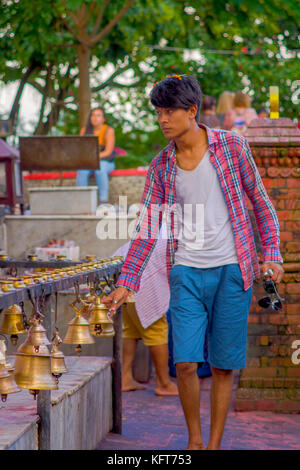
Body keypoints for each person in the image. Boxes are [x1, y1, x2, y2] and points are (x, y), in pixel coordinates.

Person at [102, 75, 284, 450]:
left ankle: (213, 444)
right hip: (184, 270)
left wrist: (272, 255)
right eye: (158, 112)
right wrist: (127, 283)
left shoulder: (232, 146)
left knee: (221, 365)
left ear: (192, 111)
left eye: (169, 111)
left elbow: (261, 204)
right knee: (183, 362)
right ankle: (195, 441)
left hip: (234, 269)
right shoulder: (161, 166)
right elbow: (148, 228)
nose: (162, 119)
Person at [113, 224, 178, 396]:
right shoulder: (170, 236)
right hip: (147, 290)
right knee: (157, 333)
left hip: (125, 288)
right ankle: (163, 383)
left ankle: (125, 377)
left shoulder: (145, 235)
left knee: (131, 332)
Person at [77, 107, 116, 203]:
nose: (95, 118)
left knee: (100, 169)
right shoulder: (84, 130)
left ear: (103, 119)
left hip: (106, 162)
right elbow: (80, 149)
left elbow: (108, 152)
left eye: (98, 115)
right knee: (82, 171)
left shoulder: (108, 131)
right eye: (93, 115)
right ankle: (82, 202)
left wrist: (93, 158)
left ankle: (103, 201)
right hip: (89, 163)